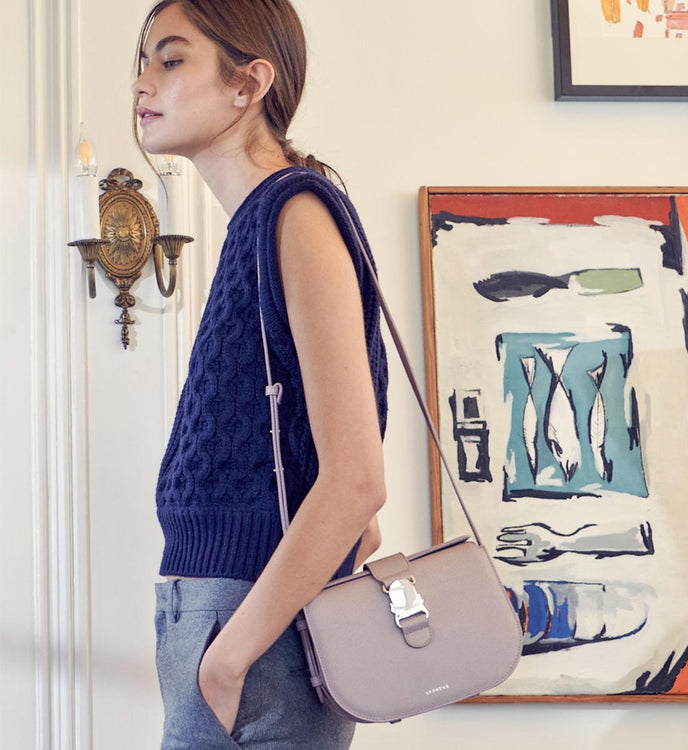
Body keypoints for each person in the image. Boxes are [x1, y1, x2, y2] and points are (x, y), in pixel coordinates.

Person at [132, 1, 389, 747]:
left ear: (249, 84)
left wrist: (230, 658)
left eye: (171, 59)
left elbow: (357, 485)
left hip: (244, 648)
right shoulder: (261, 225)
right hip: (229, 634)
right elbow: (357, 523)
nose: (143, 83)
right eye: (142, 62)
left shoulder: (294, 214)